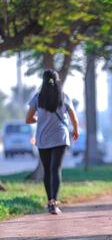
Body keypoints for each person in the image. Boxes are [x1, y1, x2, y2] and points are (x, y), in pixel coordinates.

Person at [25, 69, 79, 215]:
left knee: (47, 170)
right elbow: (74, 117)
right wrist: (76, 130)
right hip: (60, 138)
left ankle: (50, 202)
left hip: (43, 139)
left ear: (43, 81)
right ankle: (55, 202)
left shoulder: (37, 98)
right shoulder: (64, 96)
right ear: (57, 80)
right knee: (56, 169)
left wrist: (38, 119)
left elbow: (28, 119)